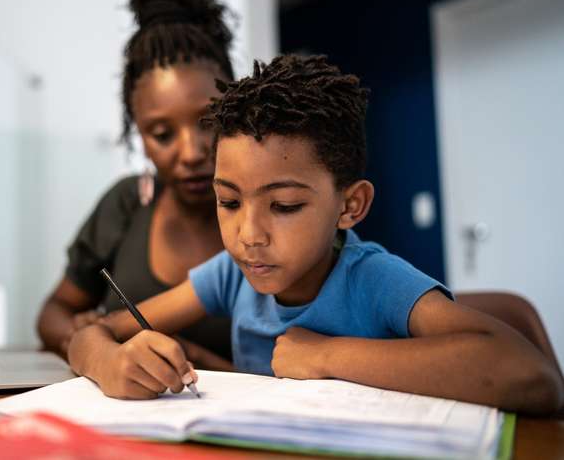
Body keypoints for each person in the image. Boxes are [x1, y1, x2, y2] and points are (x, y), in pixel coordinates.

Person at [67, 54, 564, 415]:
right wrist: (110, 363)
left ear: (350, 206)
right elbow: (93, 332)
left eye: (283, 205)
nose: (248, 235)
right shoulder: (231, 274)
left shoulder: (373, 279)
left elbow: (531, 375)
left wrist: (324, 354)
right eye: (230, 202)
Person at [36, 0, 235, 369]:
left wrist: (194, 358)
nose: (192, 152)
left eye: (209, 121)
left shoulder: (271, 210)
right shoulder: (128, 203)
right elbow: (54, 311)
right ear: (138, 135)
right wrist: (86, 341)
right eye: (162, 134)